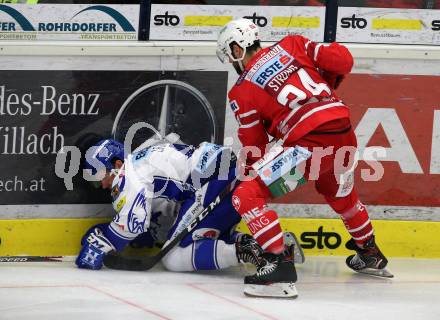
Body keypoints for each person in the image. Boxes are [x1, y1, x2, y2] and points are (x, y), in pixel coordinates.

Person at [216, 18, 393, 295]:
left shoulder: (241, 90)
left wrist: (250, 174)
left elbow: (255, 144)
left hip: (311, 142)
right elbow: (343, 61)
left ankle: (279, 267)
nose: (232, 62)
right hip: (343, 131)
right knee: (337, 192)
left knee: (246, 195)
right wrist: (327, 80)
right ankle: (369, 252)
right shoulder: (293, 44)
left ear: (238, 49)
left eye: (230, 55)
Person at [75, 136, 303, 297]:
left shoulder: (130, 173)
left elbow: (131, 226)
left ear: (117, 164)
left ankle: (258, 250)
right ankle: (275, 244)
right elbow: (156, 215)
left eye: (100, 176)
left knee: (174, 258)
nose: (102, 185)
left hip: (217, 183)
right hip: (225, 177)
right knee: (197, 239)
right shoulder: (142, 160)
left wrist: (102, 241)